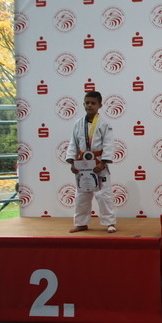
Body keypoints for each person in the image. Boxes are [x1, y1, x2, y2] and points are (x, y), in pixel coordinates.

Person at [66, 91, 116, 233]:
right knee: (82, 195)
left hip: (98, 163)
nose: (89, 105)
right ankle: (81, 223)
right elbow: (73, 143)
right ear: (83, 104)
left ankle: (109, 222)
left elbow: (108, 144)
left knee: (104, 194)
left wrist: (103, 163)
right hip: (82, 165)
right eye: (87, 103)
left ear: (100, 105)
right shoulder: (78, 124)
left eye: (93, 103)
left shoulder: (104, 124)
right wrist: (72, 162)